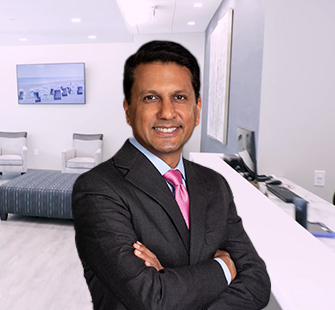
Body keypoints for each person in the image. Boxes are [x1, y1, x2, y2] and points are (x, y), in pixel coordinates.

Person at [72, 40, 270, 310]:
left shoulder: (215, 184)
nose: (167, 112)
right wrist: (224, 267)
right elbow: (152, 298)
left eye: (180, 97)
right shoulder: (97, 189)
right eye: (150, 97)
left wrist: (170, 282)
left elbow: (257, 282)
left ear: (197, 110)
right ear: (128, 110)